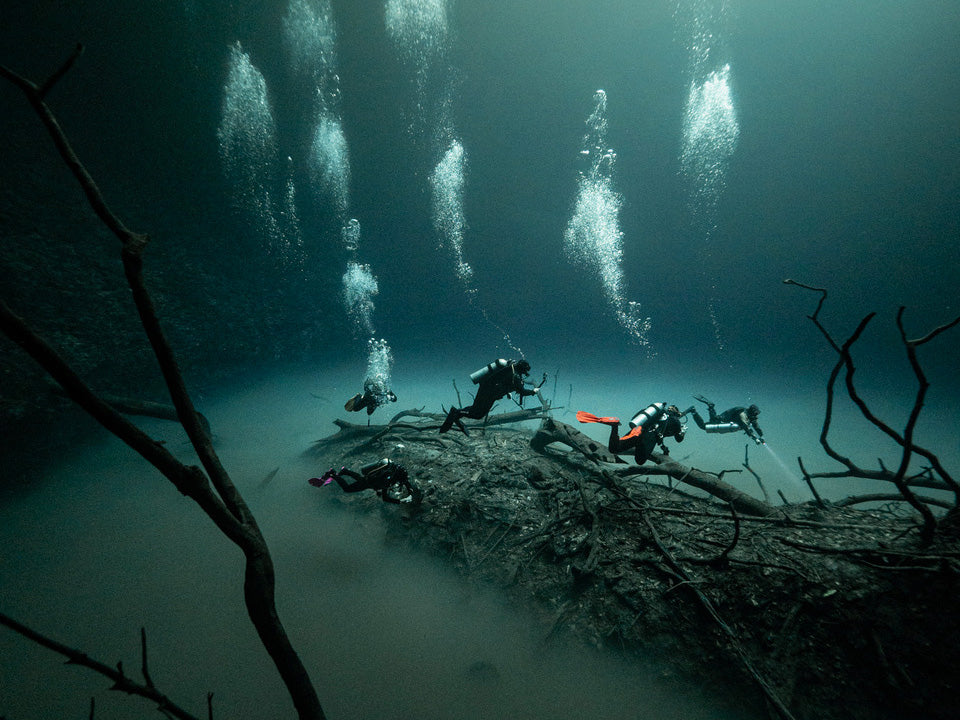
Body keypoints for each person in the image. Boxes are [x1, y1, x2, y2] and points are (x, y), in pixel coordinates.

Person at [439, 358, 541, 434]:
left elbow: (502, 380)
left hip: (486, 388)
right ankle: (455, 413)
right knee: (478, 414)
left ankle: (455, 416)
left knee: (475, 409)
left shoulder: (510, 368)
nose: (525, 373)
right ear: (522, 369)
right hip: (489, 393)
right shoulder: (516, 376)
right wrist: (533, 391)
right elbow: (522, 391)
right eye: (525, 371)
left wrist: (507, 391)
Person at [576, 402, 686, 465]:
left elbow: (635, 418)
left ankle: (615, 425)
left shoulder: (654, 412)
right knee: (640, 461)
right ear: (676, 413)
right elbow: (679, 439)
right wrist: (683, 430)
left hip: (637, 429)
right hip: (649, 437)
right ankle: (638, 443)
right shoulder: (676, 421)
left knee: (614, 449)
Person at [309, 458, 421, 505]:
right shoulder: (388, 480)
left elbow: (406, 482)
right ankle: (332, 474)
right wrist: (401, 501)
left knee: (360, 478)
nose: (401, 483)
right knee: (347, 489)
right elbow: (385, 498)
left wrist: (410, 491)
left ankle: (345, 471)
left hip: (368, 480)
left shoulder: (393, 472)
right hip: (368, 483)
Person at [684, 395, 764, 445]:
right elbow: (745, 425)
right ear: (751, 411)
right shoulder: (742, 413)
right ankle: (705, 408)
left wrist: (761, 436)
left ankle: (696, 411)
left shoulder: (748, 415)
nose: (756, 416)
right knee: (704, 426)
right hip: (721, 421)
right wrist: (755, 438)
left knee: (706, 425)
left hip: (723, 422)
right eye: (755, 413)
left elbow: (755, 425)